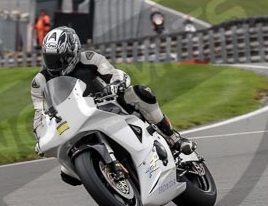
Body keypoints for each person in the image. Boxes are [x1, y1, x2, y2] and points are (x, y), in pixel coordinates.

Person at [31, 27, 196, 185]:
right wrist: (41, 137)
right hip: (74, 122)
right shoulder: (39, 82)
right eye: (50, 58)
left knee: (140, 92)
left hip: (107, 104)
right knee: (68, 175)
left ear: (73, 51)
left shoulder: (90, 58)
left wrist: (116, 83)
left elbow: (112, 72)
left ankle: (173, 137)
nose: (55, 64)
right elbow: (40, 114)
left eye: (60, 58)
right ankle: (104, 177)